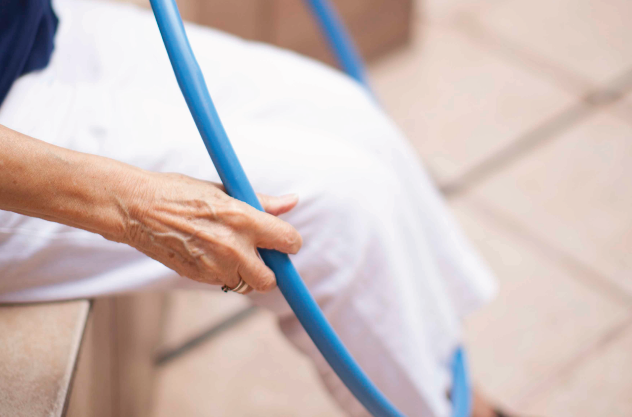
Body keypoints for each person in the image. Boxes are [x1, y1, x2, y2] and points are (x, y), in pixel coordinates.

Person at [0, 0, 503, 416]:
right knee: (340, 216)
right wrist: (133, 206)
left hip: (31, 30)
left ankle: (463, 400)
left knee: (345, 111)